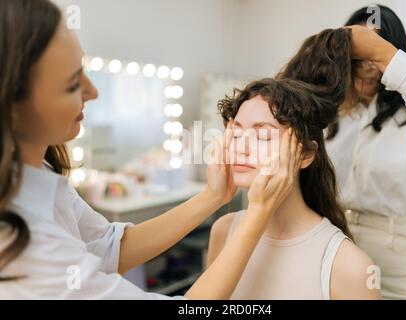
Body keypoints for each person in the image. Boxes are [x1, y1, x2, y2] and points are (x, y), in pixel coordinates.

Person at [0, 0, 301, 299]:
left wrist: (213, 196)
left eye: (263, 136)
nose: (93, 92)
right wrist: (258, 213)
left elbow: (110, 248)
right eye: (71, 84)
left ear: (306, 153)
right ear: (12, 104)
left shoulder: (42, 177)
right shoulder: (19, 244)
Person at [282, 5, 406, 299]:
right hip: (335, 240)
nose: (368, 65)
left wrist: (385, 56)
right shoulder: (332, 114)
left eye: (375, 52)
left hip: (403, 252)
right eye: (358, 54)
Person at [207, 29, 381, 300]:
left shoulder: (351, 266)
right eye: (237, 133)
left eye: (263, 135)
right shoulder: (222, 230)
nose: (240, 147)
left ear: (306, 154)